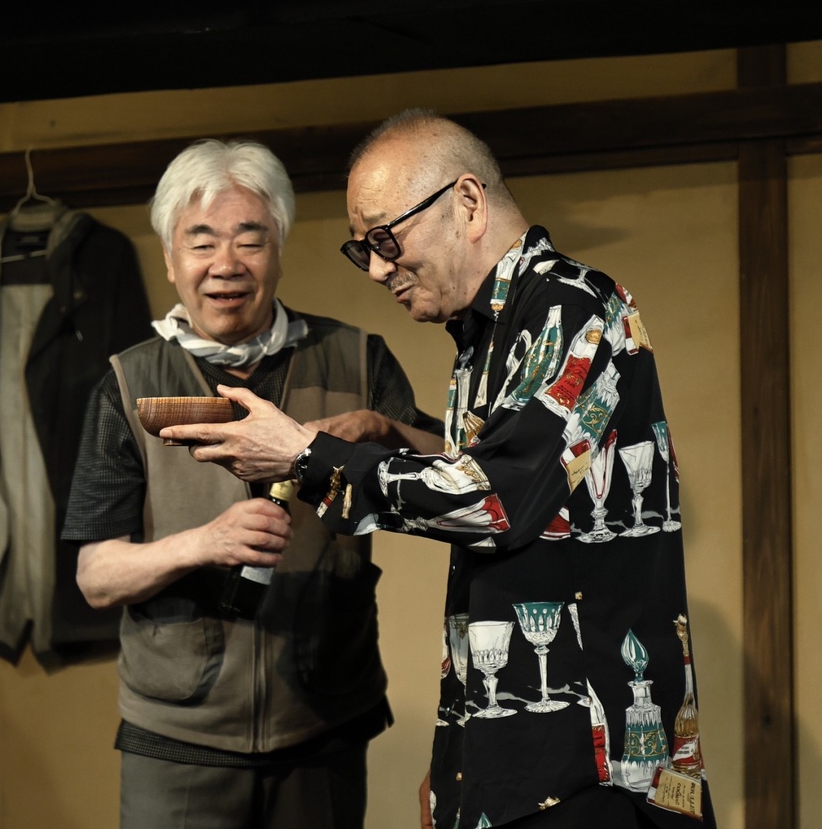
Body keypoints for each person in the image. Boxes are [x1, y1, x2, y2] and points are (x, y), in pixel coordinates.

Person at [165, 112, 717, 828]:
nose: (377, 269)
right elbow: (518, 489)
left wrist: (301, 454)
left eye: (385, 239)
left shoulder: (571, 306)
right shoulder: (487, 332)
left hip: (589, 767)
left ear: (468, 201)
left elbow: (496, 502)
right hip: (512, 753)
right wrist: (463, 750)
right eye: (362, 250)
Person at [61, 138, 442, 829]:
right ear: (170, 258)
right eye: (201, 242)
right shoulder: (129, 384)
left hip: (325, 721)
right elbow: (96, 576)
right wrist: (203, 543)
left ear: (280, 248)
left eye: (250, 239)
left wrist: (385, 430)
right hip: (178, 736)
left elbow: (460, 475)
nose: (226, 264)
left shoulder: (357, 360)